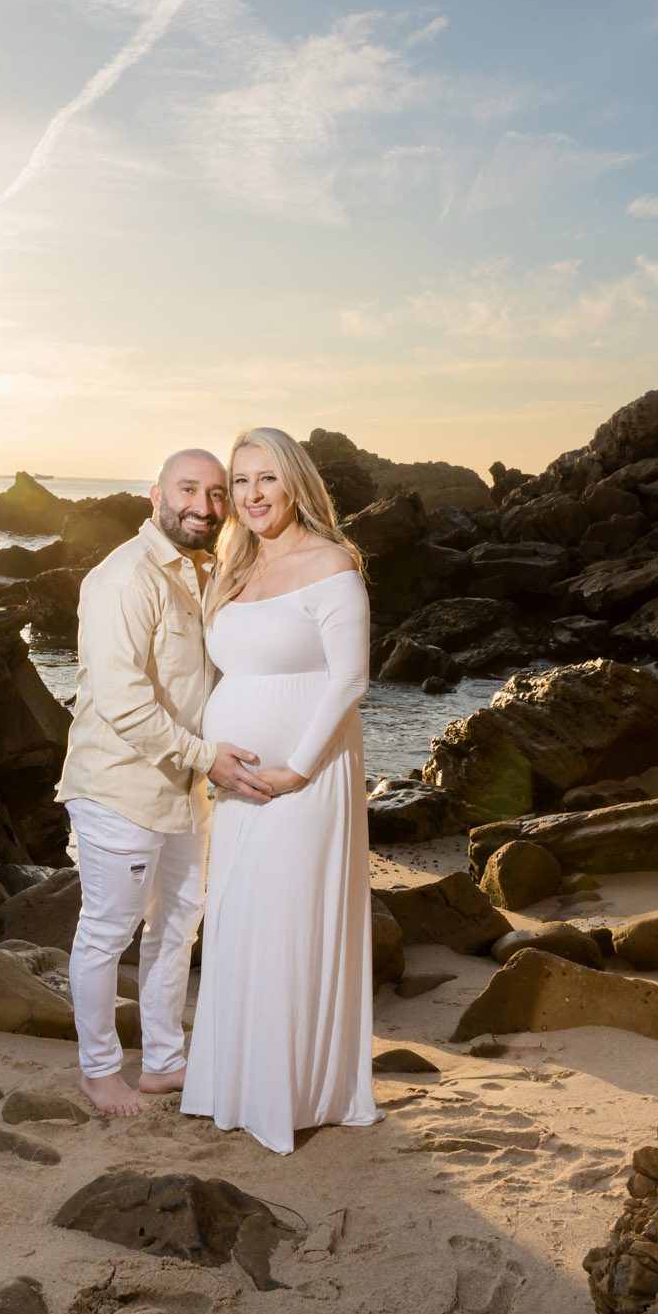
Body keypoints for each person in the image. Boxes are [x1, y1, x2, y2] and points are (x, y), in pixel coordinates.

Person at [180, 426, 383, 1154]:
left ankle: (291, 1092)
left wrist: (297, 766)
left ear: (294, 481)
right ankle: (230, 1084)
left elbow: (349, 678)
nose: (252, 494)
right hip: (234, 781)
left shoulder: (331, 562)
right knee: (239, 919)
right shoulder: (234, 566)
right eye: (240, 481)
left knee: (289, 919)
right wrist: (206, 756)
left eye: (265, 478)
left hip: (304, 776)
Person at [54, 448, 272, 1117]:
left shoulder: (201, 573)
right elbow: (123, 701)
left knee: (176, 924)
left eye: (214, 493)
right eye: (188, 489)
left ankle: (164, 1061)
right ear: (156, 495)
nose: (203, 506)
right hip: (121, 786)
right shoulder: (125, 578)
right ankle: (97, 1072)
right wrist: (207, 756)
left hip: (181, 789)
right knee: (107, 931)